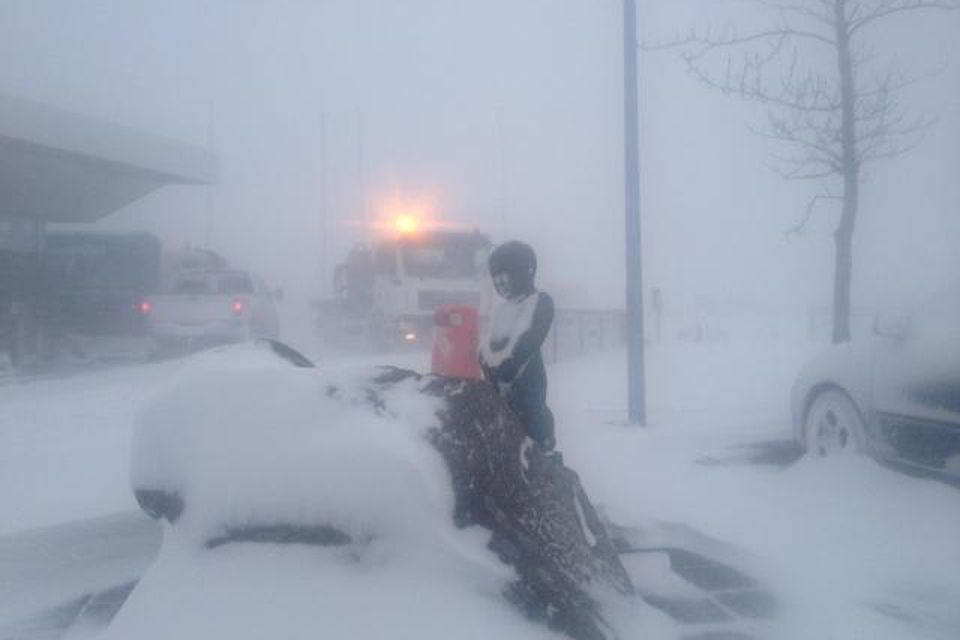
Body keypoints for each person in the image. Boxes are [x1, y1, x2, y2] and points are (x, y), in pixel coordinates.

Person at [480, 241, 556, 451]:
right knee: (505, 419)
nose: (500, 282)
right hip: (499, 382)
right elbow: (488, 340)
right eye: (496, 277)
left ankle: (543, 446)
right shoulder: (502, 309)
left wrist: (508, 366)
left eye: (506, 275)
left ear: (524, 272)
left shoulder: (539, 301)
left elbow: (530, 340)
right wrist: (485, 361)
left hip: (527, 376)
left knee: (532, 411)